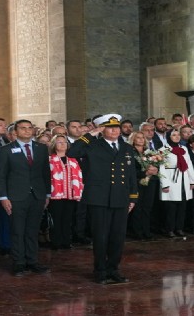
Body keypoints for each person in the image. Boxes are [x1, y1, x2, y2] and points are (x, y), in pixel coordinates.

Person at [67, 114, 138, 285]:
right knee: (101, 236)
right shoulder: (92, 145)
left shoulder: (126, 148)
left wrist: (133, 197)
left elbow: (131, 175)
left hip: (120, 197)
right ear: (101, 129)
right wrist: (91, 134)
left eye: (117, 127)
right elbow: (72, 152)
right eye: (109, 127)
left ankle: (114, 269)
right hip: (99, 198)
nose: (115, 130)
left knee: (118, 236)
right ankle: (100, 270)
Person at [0, 119, 51, 276]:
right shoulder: (6, 150)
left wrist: (47, 194)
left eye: (29, 128)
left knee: (33, 230)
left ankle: (32, 261)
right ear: (15, 132)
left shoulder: (41, 148)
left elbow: (45, 173)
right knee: (18, 230)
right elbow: (1, 176)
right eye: (23, 128)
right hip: (16, 196)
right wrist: (3, 197)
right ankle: (19, 263)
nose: (27, 131)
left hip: (38, 195)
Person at [159, 129, 194, 238]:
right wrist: (164, 183)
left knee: (182, 206)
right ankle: (169, 229)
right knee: (171, 207)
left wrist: (192, 180)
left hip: (183, 179)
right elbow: (162, 167)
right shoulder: (163, 150)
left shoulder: (183, 148)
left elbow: (189, 164)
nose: (176, 137)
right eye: (173, 135)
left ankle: (179, 228)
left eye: (178, 135)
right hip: (171, 179)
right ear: (168, 137)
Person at [48, 135, 83, 250]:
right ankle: (56, 242)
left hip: (71, 195)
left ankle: (66, 241)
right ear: (54, 145)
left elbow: (79, 177)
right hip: (55, 195)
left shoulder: (73, 160)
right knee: (56, 219)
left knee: (68, 219)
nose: (62, 144)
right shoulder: (50, 160)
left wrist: (78, 192)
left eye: (64, 142)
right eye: (59, 142)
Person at [128, 131, 158, 241]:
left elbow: (156, 163)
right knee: (138, 208)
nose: (141, 140)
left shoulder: (149, 152)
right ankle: (137, 232)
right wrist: (144, 173)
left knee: (147, 207)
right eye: (138, 138)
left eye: (142, 138)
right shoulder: (130, 152)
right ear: (133, 139)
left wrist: (155, 170)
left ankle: (146, 230)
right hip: (137, 182)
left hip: (150, 182)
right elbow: (130, 170)